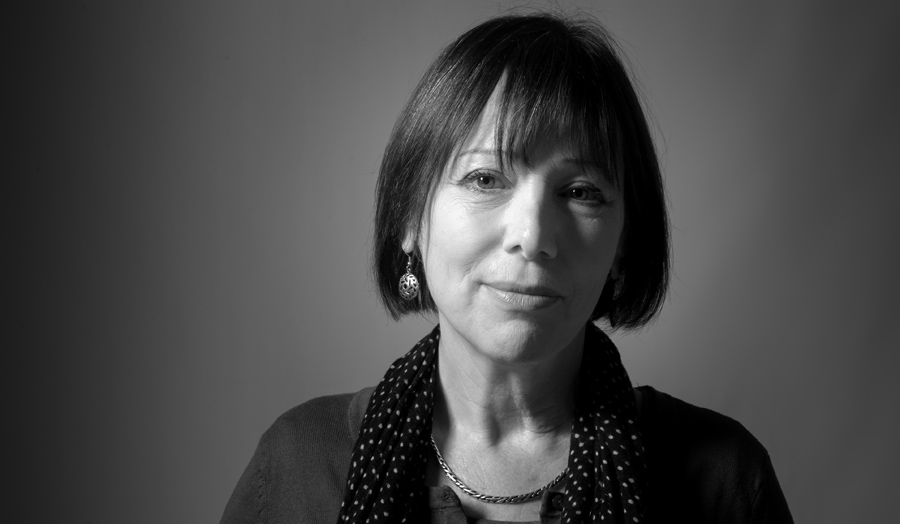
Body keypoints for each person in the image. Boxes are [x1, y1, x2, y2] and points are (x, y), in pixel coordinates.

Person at [221, 13, 793, 524]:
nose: (533, 237)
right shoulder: (298, 467)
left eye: (579, 191)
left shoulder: (723, 480)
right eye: (485, 179)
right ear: (409, 219)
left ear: (624, 243)